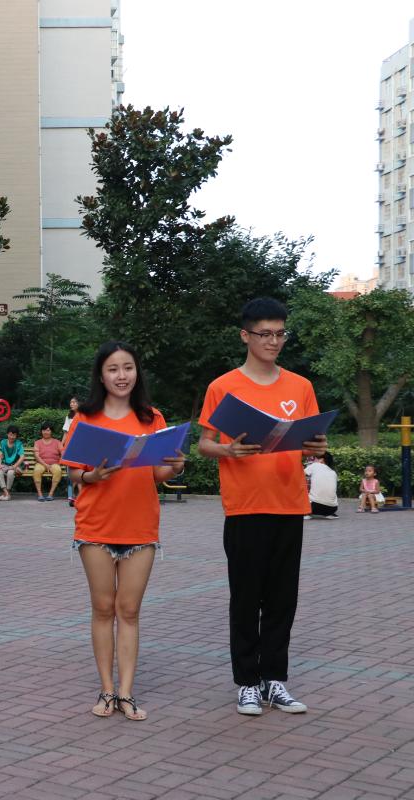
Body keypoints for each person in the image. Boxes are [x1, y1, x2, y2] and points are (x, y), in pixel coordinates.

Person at [197, 297, 326, 717]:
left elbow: (312, 442)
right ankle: (247, 683)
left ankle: (275, 680)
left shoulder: (300, 387)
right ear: (245, 336)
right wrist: (227, 450)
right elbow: (204, 444)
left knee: (282, 599)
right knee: (246, 598)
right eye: (265, 334)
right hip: (245, 508)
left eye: (280, 333)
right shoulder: (223, 387)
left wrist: (317, 447)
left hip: (289, 504)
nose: (274, 341)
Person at [62, 342, 186, 722]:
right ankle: (106, 690)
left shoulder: (152, 418)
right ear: (101, 376)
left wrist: (176, 466)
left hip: (140, 527)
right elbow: (73, 472)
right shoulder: (86, 417)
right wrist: (93, 476)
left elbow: (158, 473)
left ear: (136, 372)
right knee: (103, 608)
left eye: (128, 368)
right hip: (96, 526)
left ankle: (127, 693)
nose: (121, 375)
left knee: (129, 611)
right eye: (113, 369)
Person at [33, 423, 64, 501]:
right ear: (41, 431)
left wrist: (60, 461)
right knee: (37, 470)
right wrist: (45, 465)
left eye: (48, 430)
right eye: (44, 430)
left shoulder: (57, 442)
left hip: (54, 463)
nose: (45, 432)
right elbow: (37, 456)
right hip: (41, 463)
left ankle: (50, 494)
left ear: (51, 431)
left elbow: (63, 453)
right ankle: (40, 494)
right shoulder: (37, 442)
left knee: (58, 470)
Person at [304, 453, 338, 519]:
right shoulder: (333, 472)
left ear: (321, 460)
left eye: (315, 459)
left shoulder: (315, 465)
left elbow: (299, 474)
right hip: (332, 508)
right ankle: (329, 514)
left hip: (313, 507)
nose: (313, 461)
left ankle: (305, 514)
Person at [0, 426, 25, 501]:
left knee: (10, 473)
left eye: (14, 435)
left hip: (15, 465)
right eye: (10, 434)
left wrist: (14, 466)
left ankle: (6, 493)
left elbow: (22, 457)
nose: (12, 437)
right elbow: (0, 454)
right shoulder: (3, 442)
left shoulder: (18, 443)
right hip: (5, 464)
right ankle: (6, 493)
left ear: (16, 435)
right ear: (7, 434)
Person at [63, 397, 81, 506]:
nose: (71, 404)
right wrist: (62, 446)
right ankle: (71, 496)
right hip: (70, 446)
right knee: (70, 471)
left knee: (80, 470)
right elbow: (66, 433)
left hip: (81, 446)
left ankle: (81, 496)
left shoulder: (84, 415)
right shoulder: (69, 417)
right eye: (71, 402)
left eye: (74, 402)